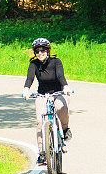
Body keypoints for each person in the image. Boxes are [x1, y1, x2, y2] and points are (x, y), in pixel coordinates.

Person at [22, 37, 72, 165]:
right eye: (37, 51)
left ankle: (65, 129)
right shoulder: (34, 64)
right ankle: (42, 153)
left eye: (43, 50)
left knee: (61, 107)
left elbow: (61, 76)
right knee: (40, 121)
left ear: (48, 50)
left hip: (58, 92)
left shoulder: (56, 61)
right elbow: (30, 78)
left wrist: (65, 87)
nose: (40, 53)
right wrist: (26, 89)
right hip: (42, 94)